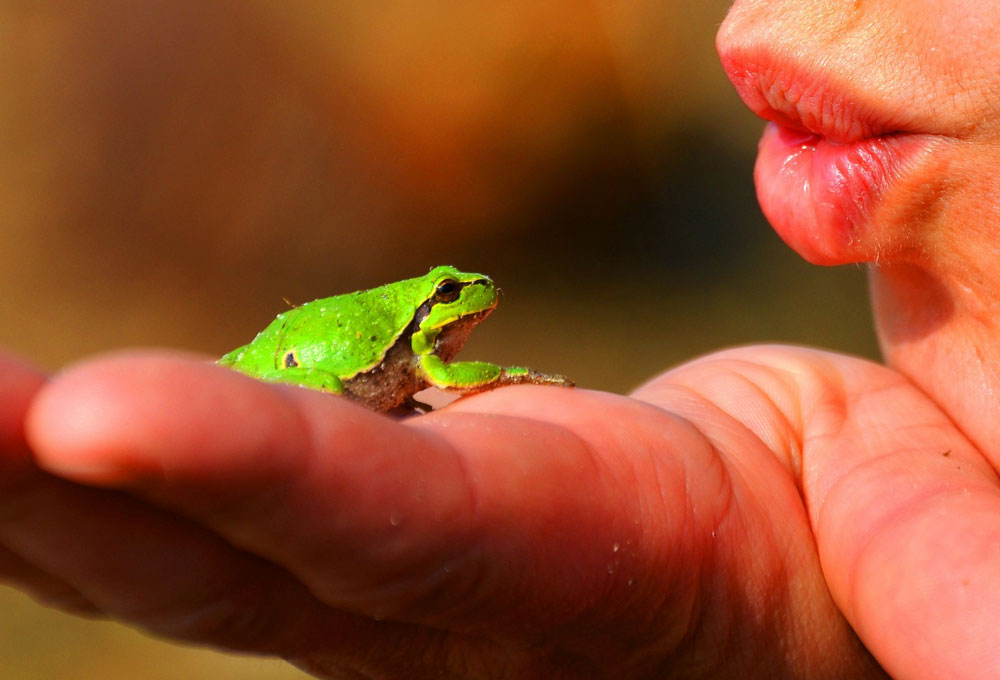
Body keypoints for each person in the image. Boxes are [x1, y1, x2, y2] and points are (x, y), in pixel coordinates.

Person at [2, 0, 998, 676]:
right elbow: (434, 370)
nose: (745, 12)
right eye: (450, 290)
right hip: (313, 371)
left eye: (457, 291)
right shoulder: (428, 340)